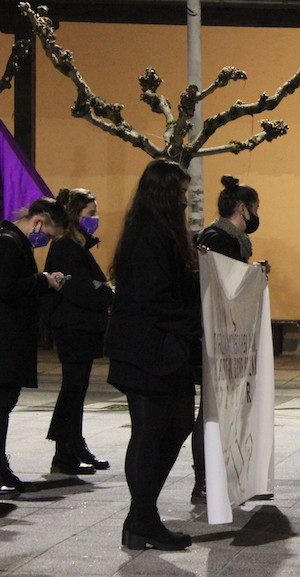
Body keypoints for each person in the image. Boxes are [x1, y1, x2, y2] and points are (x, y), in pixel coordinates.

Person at [105, 160, 201, 549]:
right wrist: (195, 324)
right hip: (146, 349)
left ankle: (140, 517)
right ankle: (143, 519)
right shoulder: (148, 232)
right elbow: (153, 296)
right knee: (149, 432)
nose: (184, 202)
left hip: (163, 348)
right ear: (163, 194)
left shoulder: (161, 231)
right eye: (180, 193)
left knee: (175, 425)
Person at [189, 175, 265, 504]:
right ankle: (204, 478)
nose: (257, 215)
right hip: (213, 335)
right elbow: (219, 284)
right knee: (211, 408)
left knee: (226, 406)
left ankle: (225, 473)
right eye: (256, 208)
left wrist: (253, 273)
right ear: (243, 209)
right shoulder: (217, 238)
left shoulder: (231, 240)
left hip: (228, 334)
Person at [44, 188, 114, 475]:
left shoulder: (76, 244)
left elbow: (90, 283)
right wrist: (106, 292)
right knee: (73, 388)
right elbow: (82, 288)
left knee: (76, 388)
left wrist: (100, 287)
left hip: (79, 326)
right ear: (75, 214)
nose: (94, 219)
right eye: (90, 213)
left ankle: (73, 445)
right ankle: (66, 451)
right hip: (73, 327)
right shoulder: (67, 246)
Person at [1, 198, 69, 492]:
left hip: (10, 341)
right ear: (38, 222)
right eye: (49, 235)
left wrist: (43, 281)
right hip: (6, 343)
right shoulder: (9, 242)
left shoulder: (13, 241)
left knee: (5, 406)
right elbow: (6, 288)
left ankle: (2, 469)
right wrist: (42, 281)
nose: (46, 241)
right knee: (2, 404)